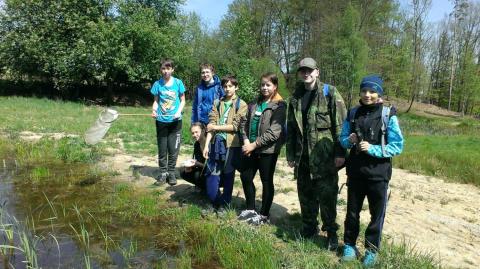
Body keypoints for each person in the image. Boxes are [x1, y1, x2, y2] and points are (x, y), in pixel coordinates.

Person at [340, 75, 404, 267]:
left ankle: (371, 250)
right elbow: (342, 138)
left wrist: (374, 149)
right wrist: (348, 140)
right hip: (356, 173)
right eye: (364, 91)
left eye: (372, 91)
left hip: (379, 175)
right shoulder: (352, 114)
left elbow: (398, 146)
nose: (367, 95)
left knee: (377, 216)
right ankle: (349, 245)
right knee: (352, 213)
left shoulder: (388, 115)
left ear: (379, 94)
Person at [286, 57, 347, 251]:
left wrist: (340, 153)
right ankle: (309, 227)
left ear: (317, 72)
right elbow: (292, 129)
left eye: (310, 70)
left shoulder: (330, 93)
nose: (306, 74)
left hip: (325, 157)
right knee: (305, 194)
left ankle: (331, 232)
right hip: (303, 156)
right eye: (303, 70)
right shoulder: (295, 97)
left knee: (327, 197)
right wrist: (290, 154)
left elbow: (341, 126)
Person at [238, 72, 286, 225]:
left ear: (275, 86)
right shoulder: (254, 103)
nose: (265, 88)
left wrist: (254, 144)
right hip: (250, 148)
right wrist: (245, 140)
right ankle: (251, 209)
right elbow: (243, 123)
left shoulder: (279, 105)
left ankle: (264, 215)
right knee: (245, 177)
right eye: (263, 84)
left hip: (267, 151)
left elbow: (274, 132)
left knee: (266, 181)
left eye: (268, 85)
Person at [202, 75, 247, 208]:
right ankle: (215, 201)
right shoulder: (217, 102)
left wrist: (215, 127)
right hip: (215, 143)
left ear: (236, 87)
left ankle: (225, 204)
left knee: (228, 175)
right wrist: (206, 145)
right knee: (212, 175)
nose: (227, 89)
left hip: (231, 145)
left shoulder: (241, 104)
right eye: (225, 86)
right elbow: (211, 124)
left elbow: (235, 126)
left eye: (230, 86)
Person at [151, 59, 186, 186]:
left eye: (168, 68)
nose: (165, 71)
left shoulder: (178, 83)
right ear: (161, 70)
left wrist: (179, 111)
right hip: (161, 121)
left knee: (173, 149)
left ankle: (171, 173)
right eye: (163, 69)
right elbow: (156, 101)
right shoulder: (157, 84)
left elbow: (183, 100)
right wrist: (154, 110)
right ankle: (163, 173)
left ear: (172, 70)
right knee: (162, 149)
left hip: (176, 122)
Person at [177, 122, 208, 190]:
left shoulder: (210, 144)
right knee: (183, 171)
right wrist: (190, 166)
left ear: (203, 131)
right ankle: (201, 186)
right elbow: (198, 162)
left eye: (196, 132)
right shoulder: (196, 144)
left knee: (197, 175)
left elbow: (212, 167)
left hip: (213, 172)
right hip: (202, 168)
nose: (194, 135)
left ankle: (208, 189)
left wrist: (197, 164)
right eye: (193, 133)